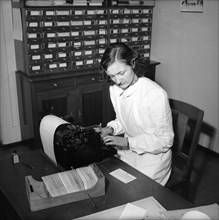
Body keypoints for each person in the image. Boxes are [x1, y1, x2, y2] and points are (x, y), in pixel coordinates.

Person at [97, 42, 174, 186]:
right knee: (109, 180)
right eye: (112, 76)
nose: (118, 81)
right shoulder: (114, 89)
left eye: (121, 73)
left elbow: (165, 140)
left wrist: (127, 142)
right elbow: (123, 119)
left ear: (132, 63)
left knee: (134, 192)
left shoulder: (155, 94)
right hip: (128, 152)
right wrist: (110, 129)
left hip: (153, 156)